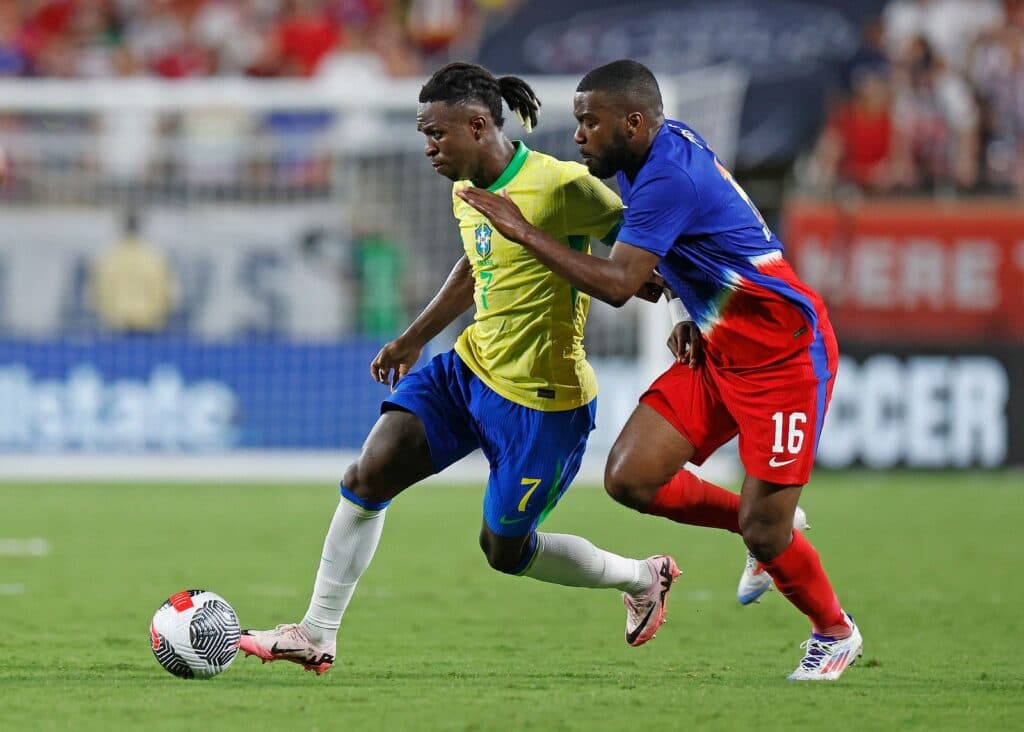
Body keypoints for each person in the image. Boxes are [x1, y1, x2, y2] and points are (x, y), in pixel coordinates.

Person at [239, 62, 679, 675]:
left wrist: (680, 300)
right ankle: (316, 632)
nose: (428, 148)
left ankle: (640, 577)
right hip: (469, 369)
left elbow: (655, 239)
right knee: (368, 475)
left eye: (435, 134)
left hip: (543, 402)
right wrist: (414, 338)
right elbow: (476, 264)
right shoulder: (465, 188)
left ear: (478, 126)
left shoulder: (563, 187)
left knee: (504, 550)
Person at [457, 59, 863, 682]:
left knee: (763, 528)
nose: (578, 136)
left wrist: (518, 228)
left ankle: (834, 631)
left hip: (784, 359)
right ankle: (769, 529)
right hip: (717, 349)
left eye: (590, 123)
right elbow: (690, 245)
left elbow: (620, 283)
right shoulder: (655, 156)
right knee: (631, 478)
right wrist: (682, 303)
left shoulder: (664, 176)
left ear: (635, 121)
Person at [89, 208, 176, 333]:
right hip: (148, 322)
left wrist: (108, 312)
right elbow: (168, 293)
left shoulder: (108, 257)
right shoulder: (154, 257)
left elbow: (95, 293)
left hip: (115, 323)